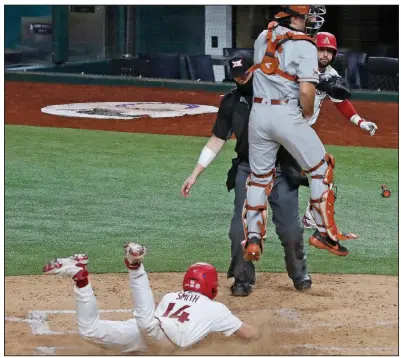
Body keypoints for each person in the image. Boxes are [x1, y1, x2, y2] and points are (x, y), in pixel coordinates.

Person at [181, 50, 312, 297]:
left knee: (290, 229)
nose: (242, 79)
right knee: (238, 231)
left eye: (246, 74)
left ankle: (299, 272)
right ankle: (243, 279)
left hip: (281, 170)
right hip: (248, 169)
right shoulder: (231, 102)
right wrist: (195, 173)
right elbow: (217, 139)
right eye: (237, 76)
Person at [242, 5, 359, 263]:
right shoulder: (307, 45)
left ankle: (253, 238)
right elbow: (306, 93)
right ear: (293, 16)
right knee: (322, 168)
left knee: (260, 178)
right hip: (287, 114)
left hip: (258, 115)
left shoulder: (263, 37)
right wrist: (304, 119)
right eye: (308, 15)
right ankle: (323, 233)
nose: (312, 20)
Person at [42, 243, 259, 354]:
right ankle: (135, 267)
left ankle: (81, 278)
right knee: (146, 323)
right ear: (211, 285)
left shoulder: (172, 296)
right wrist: (263, 334)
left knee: (91, 331)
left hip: (149, 337)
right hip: (161, 335)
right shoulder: (217, 309)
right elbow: (248, 334)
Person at [300, 31, 378, 229]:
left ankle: (311, 217)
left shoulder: (331, 75)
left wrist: (361, 122)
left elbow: (342, 103)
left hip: (303, 132)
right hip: (282, 128)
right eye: (321, 50)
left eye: (329, 51)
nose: (325, 55)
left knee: (324, 171)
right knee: (266, 175)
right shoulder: (296, 67)